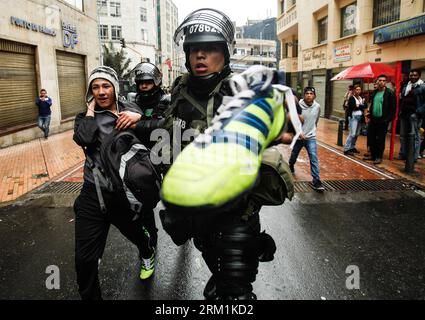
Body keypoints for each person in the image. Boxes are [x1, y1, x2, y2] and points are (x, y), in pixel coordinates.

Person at [161, 8, 294, 300]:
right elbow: (169, 135)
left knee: (236, 295)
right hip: (196, 216)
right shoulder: (180, 91)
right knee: (217, 272)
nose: (200, 56)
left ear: (225, 53)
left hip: (235, 217)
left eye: (209, 49)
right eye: (194, 49)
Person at [73, 66, 156, 300]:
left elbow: (153, 134)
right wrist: (90, 109)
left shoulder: (129, 111)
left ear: (115, 88)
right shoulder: (84, 118)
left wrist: (139, 118)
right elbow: (84, 138)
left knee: (137, 235)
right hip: (92, 193)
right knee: (85, 259)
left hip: (123, 193)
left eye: (106, 86)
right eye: (95, 87)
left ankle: (147, 250)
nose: (101, 91)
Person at [129, 62, 171, 248]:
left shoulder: (167, 100)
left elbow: (164, 124)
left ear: (156, 82)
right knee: (143, 200)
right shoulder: (132, 100)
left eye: (147, 82)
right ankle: (150, 240)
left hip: (165, 153)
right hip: (141, 155)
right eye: (141, 82)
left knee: (174, 197)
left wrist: (138, 123)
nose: (144, 86)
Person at [289, 87, 325, 191]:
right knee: (294, 154)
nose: (309, 95)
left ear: (314, 95)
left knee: (314, 157)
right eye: (307, 93)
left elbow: (316, 120)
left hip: (311, 137)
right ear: (304, 95)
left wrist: (312, 130)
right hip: (299, 137)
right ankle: (291, 164)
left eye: (311, 93)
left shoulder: (317, 106)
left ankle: (316, 180)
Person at [363, 74, 396, 165]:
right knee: (371, 138)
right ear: (377, 81)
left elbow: (393, 109)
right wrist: (369, 114)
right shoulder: (375, 92)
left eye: (383, 80)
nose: (381, 82)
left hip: (383, 120)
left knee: (380, 139)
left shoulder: (390, 93)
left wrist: (387, 120)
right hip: (373, 120)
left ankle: (378, 157)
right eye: (380, 80)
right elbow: (372, 104)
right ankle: (372, 155)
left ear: (386, 82)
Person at [398, 69, 425, 162]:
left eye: (415, 75)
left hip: (415, 116)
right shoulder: (406, 86)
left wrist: (418, 112)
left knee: (415, 136)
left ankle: (413, 157)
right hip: (404, 114)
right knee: (403, 135)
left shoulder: (422, 87)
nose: (412, 77)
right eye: (411, 75)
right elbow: (402, 98)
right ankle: (404, 153)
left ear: (419, 76)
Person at [344, 85, 367, 156]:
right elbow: (353, 107)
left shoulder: (361, 98)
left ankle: (352, 147)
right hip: (353, 117)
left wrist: (359, 105)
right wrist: (360, 105)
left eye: (359, 89)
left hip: (360, 117)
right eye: (357, 89)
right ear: (354, 90)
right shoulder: (351, 98)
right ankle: (346, 149)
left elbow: (365, 106)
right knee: (352, 133)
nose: (358, 91)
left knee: (357, 134)